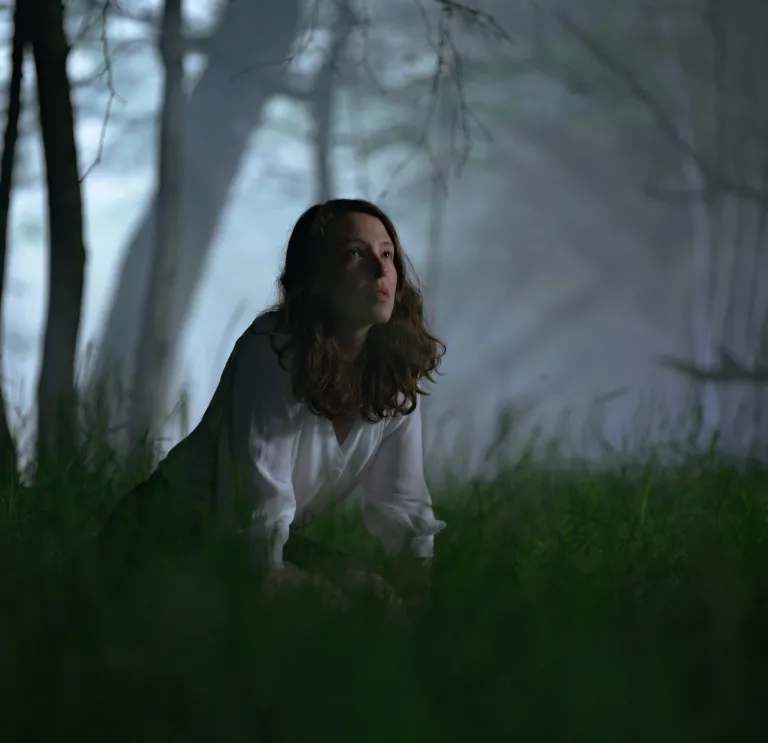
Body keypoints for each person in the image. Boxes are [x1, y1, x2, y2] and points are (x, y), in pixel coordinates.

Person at [101, 198, 447, 598]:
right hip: (163, 530)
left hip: (250, 536)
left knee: (373, 594)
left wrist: (421, 605)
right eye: (355, 253)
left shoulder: (393, 371)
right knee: (327, 604)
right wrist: (286, 582)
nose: (381, 268)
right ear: (315, 275)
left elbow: (402, 508)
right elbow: (257, 508)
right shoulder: (273, 349)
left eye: (388, 254)